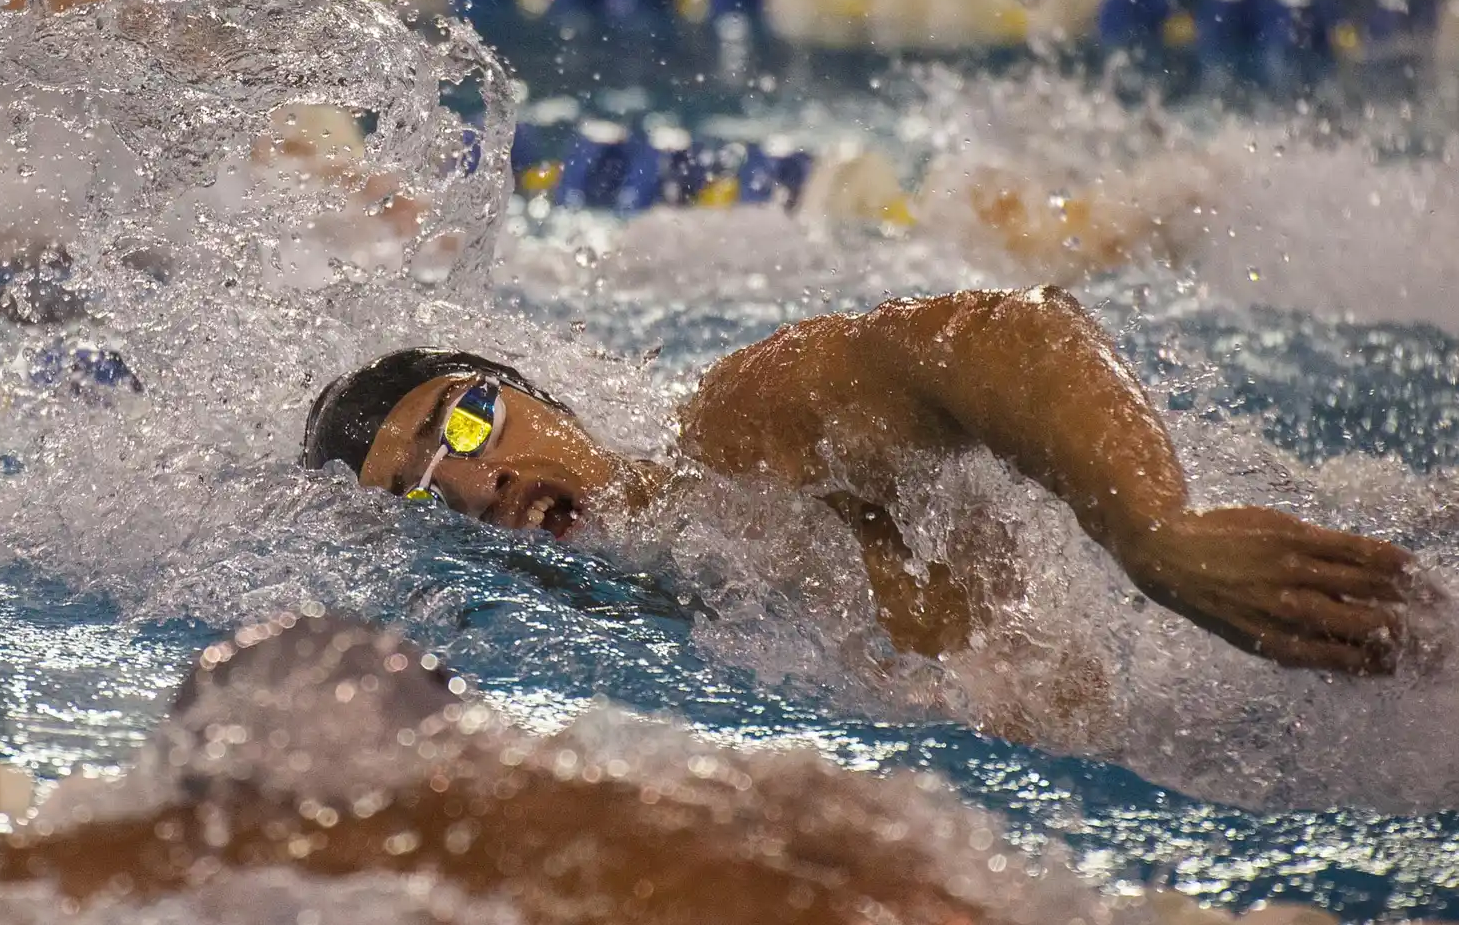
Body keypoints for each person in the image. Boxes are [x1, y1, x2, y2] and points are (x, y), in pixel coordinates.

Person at [303, 287, 1414, 695]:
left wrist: (1157, 531)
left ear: (531, 393)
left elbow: (1002, 333)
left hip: (1284, 586)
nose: (477, 480)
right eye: (420, 490)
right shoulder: (655, 636)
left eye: (468, 420)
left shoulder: (739, 439)